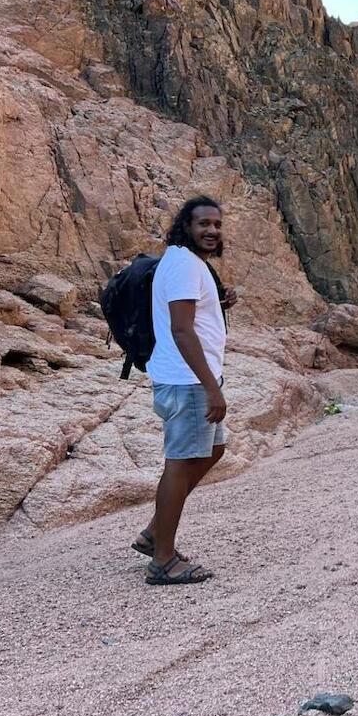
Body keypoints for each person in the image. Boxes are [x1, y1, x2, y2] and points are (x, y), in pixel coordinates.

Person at [136, 196, 237, 586]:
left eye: (216, 224)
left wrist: (220, 300)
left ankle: (153, 534)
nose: (212, 230)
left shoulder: (190, 264)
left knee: (212, 450)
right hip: (188, 381)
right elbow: (181, 329)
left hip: (192, 378)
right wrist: (212, 388)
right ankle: (162, 560)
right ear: (186, 226)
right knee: (178, 465)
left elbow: (193, 316)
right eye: (203, 224)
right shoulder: (181, 264)